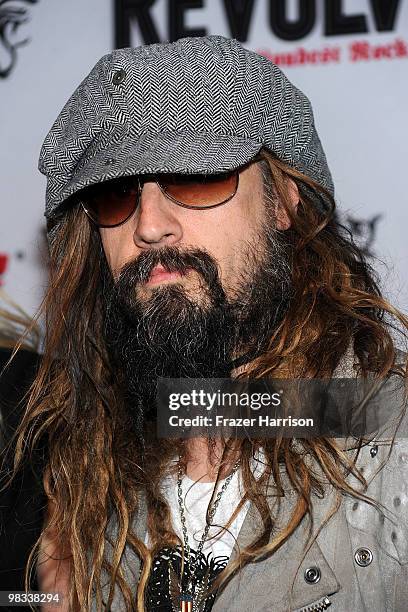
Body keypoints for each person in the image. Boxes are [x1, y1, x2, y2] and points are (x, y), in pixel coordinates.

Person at [3, 35, 407, 611]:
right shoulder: (78, 473)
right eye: (117, 195)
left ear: (284, 200)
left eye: (196, 177)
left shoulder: (386, 449)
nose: (148, 224)